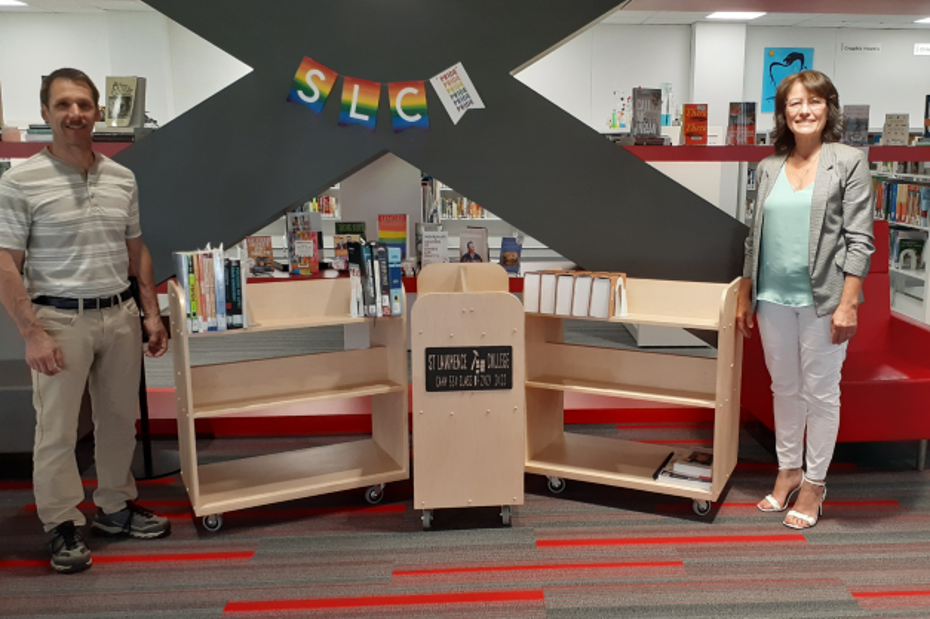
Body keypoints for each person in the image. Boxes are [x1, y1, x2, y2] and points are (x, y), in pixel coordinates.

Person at [0, 68, 171, 574]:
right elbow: (6, 260)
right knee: (56, 430)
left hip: (118, 315)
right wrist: (31, 331)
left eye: (83, 104)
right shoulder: (19, 182)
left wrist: (151, 312)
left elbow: (135, 249)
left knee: (119, 420)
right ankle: (61, 522)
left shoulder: (122, 177)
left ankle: (115, 508)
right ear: (46, 114)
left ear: (99, 111)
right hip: (57, 319)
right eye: (63, 105)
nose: (74, 114)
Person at [736, 70, 874, 530]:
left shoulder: (849, 161)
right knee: (785, 389)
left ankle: (815, 483)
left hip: (823, 301)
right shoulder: (768, 166)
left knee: (821, 393)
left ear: (828, 107)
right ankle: (788, 470)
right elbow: (753, 239)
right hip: (772, 298)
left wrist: (848, 303)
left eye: (813, 101)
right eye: (794, 103)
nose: (804, 111)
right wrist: (745, 292)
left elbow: (860, 240)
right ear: (784, 113)